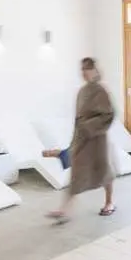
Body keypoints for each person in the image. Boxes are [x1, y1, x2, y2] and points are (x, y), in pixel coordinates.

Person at [47, 57, 116, 223]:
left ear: (94, 70)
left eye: (87, 68)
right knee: (77, 172)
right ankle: (64, 210)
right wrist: (76, 138)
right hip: (82, 138)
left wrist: (89, 126)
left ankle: (109, 202)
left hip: (97, 138)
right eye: (82, 69)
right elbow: (78, 118)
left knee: (103, 170)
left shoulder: (101, 90)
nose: (84, 72)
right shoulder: (82, 91)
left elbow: (108, 114)